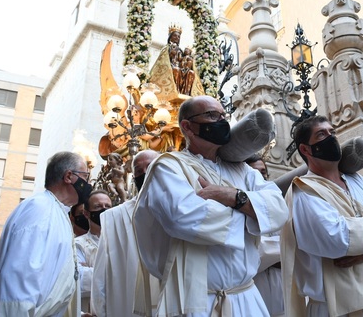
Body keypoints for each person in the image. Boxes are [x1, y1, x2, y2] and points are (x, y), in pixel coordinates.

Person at [133, 95, 289, 316]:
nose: (221, 121)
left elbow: (279, 209)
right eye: (211, 115)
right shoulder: (167, 167)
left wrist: (234, 197)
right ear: (187, 126)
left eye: (223, 115)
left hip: (247, 297)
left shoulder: (241, 170)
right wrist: (253, 213)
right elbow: (184, 217)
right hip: (198, 302)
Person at [281, 115, 363, 317]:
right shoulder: (304, 192)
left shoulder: (358, 181)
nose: (331, 138)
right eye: (322, 134)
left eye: (332, 132)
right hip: (334, 308)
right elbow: (339, 239)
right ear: (305, 149)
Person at [0, 151, 92, 317]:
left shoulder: (55, 210)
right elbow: (20, 283)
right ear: (69, 176)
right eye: (85, 176)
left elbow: (52, 279)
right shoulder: (40, 210)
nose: (88, 183)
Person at [91, 149, 160, 316]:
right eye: (138, 170)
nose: (145, 174)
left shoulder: (182, 210)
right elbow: (100, 276)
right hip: (126, 305)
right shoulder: (114, 218)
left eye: (151, 167)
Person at [244, 154, 283, 316]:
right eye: (254, 172)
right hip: (256, 288)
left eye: (263, 172)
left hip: (282, 286)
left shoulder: (276, 204)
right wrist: (283, 252)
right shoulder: (238, 207)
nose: (260, 177)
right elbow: (252, 253)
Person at [76, 190, 112, 314]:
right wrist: (115, 272)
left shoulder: (121, 242)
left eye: (107, 206)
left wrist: (92, 269)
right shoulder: (77, 244)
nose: (104, 210)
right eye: (98, 207)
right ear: (86, 213)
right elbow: (78, 279)